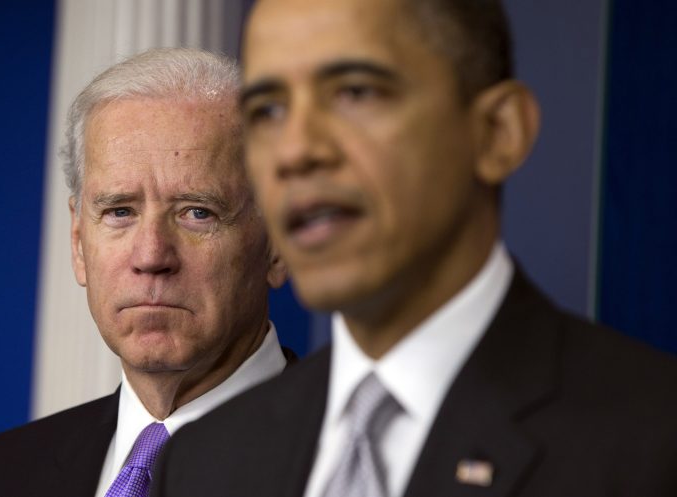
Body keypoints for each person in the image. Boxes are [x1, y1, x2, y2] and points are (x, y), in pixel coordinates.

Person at [151, 1, 677, 496]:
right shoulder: (203, 462)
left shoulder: (653, 442)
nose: (295, 151)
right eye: (267, 111)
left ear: (498, 132)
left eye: (355, 92)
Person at [0, 47, 292, 497]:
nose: (150, 256)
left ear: (279, 244)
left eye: (198, 213)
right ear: (77, 242)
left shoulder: (364, 463)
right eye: (120, 211)